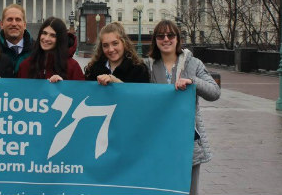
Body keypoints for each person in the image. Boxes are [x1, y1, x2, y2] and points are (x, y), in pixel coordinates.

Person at [143, 20, 220, 195]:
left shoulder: (194, 64)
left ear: (178, 39)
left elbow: (214, 92)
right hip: (157, 140)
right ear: (155, 40)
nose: (166, 39)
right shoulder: (147, 67)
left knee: (189, 189)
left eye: (170, 35)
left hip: (187, 139)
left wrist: (193, 82)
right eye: (161, 36)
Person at [17, 17, 84, 82]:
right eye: (44, 33)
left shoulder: (72, 67)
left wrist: (63, 86)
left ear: (60, 39)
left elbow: (80, 91)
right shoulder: (25, 65)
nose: (46, 39)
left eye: (53, 35)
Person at [84, 22, 150, 85]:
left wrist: (116, 81)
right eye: (105, 45)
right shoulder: (92, 69)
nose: (111, 49)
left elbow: (141, 94)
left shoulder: (139, 69)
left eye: (115, 43)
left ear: (124, 43)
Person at [0, 4, 34, 74]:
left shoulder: (37, 50)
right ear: (1, 25)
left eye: (18, 19)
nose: (14, 24)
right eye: (9, 19)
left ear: (24, 25)